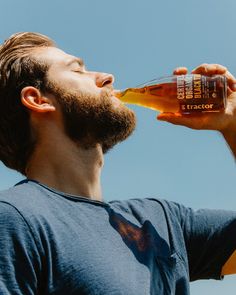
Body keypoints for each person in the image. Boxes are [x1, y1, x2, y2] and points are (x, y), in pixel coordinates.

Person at [0, 32, 235, 295]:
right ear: (37, 99)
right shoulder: (13, 219)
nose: (107, 77)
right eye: (78, 71)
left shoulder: (161, 222)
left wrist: (233, 123)